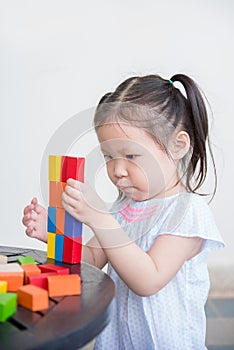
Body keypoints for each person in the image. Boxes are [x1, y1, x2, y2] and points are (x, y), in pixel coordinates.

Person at [22, 74, 224, 349]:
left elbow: (149, 279)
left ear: (178, 146)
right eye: (108, 156)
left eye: (131, 156)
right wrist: (53, 233)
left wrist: (100, 219)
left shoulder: (187, 212)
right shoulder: (124, 209)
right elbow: (92, 259)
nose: (117, 170)